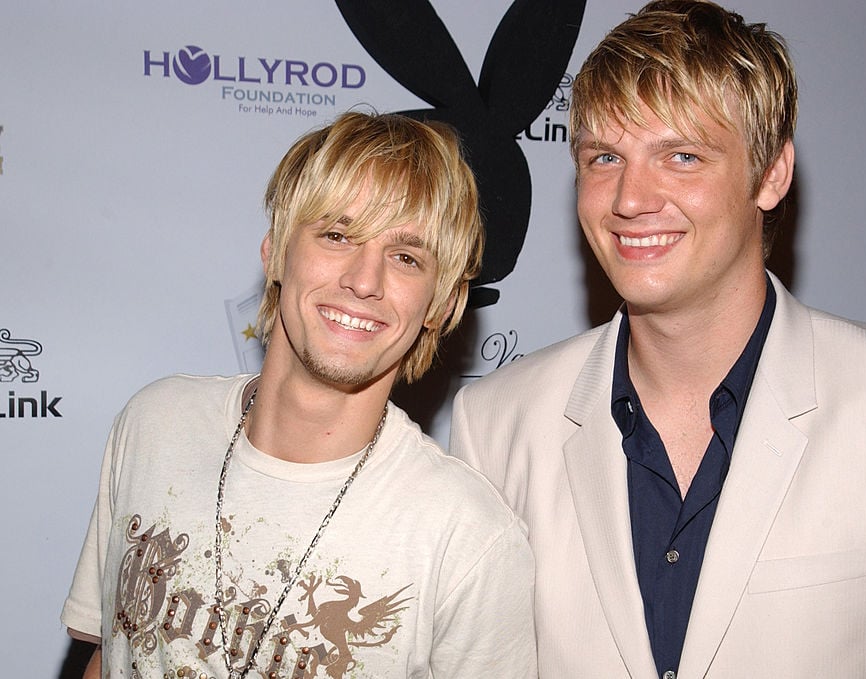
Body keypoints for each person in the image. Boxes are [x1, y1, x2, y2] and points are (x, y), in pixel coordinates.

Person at [449, 1, 866, 677]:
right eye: (604, 157)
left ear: (771, 174)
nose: (630, 197)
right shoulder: (496, 424)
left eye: (682, 155)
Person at [62, 111, 536, 679]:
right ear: (275, 252)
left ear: (438, 304)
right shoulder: (155, 425)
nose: (365, 280)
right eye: (337, 235)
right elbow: (108, 653)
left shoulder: (471, 539)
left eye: (406, 257)